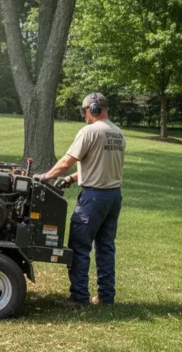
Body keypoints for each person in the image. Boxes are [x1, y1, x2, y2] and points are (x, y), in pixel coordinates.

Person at [37, 93, 126, 306]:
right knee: (105, 247)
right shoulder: (117, 133)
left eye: (84, 110)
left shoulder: (90, 131)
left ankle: (79, 297)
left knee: (79, 246)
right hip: (113, 197)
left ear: (93, 109)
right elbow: (99, 165)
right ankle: (106, 297)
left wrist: (45, 176)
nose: (83, 115)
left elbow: (67, 161)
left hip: (93, 198)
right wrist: (70, 179)